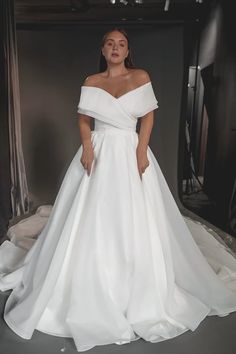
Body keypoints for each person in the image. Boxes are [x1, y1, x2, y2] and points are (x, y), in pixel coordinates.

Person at [1, 27, 236, 353]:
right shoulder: (91, 81)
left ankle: (135, 279)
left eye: (121, 43)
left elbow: (149, 116)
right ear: (103, 48)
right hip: (97, 149)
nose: (115, 47)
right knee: (90, 216)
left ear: (127, 51)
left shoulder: (139, 76)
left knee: (132, 214)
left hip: (128, 149)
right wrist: (86, 146)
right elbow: (84, 118)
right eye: (110, 43)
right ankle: (88, 274)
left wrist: (141, 150)